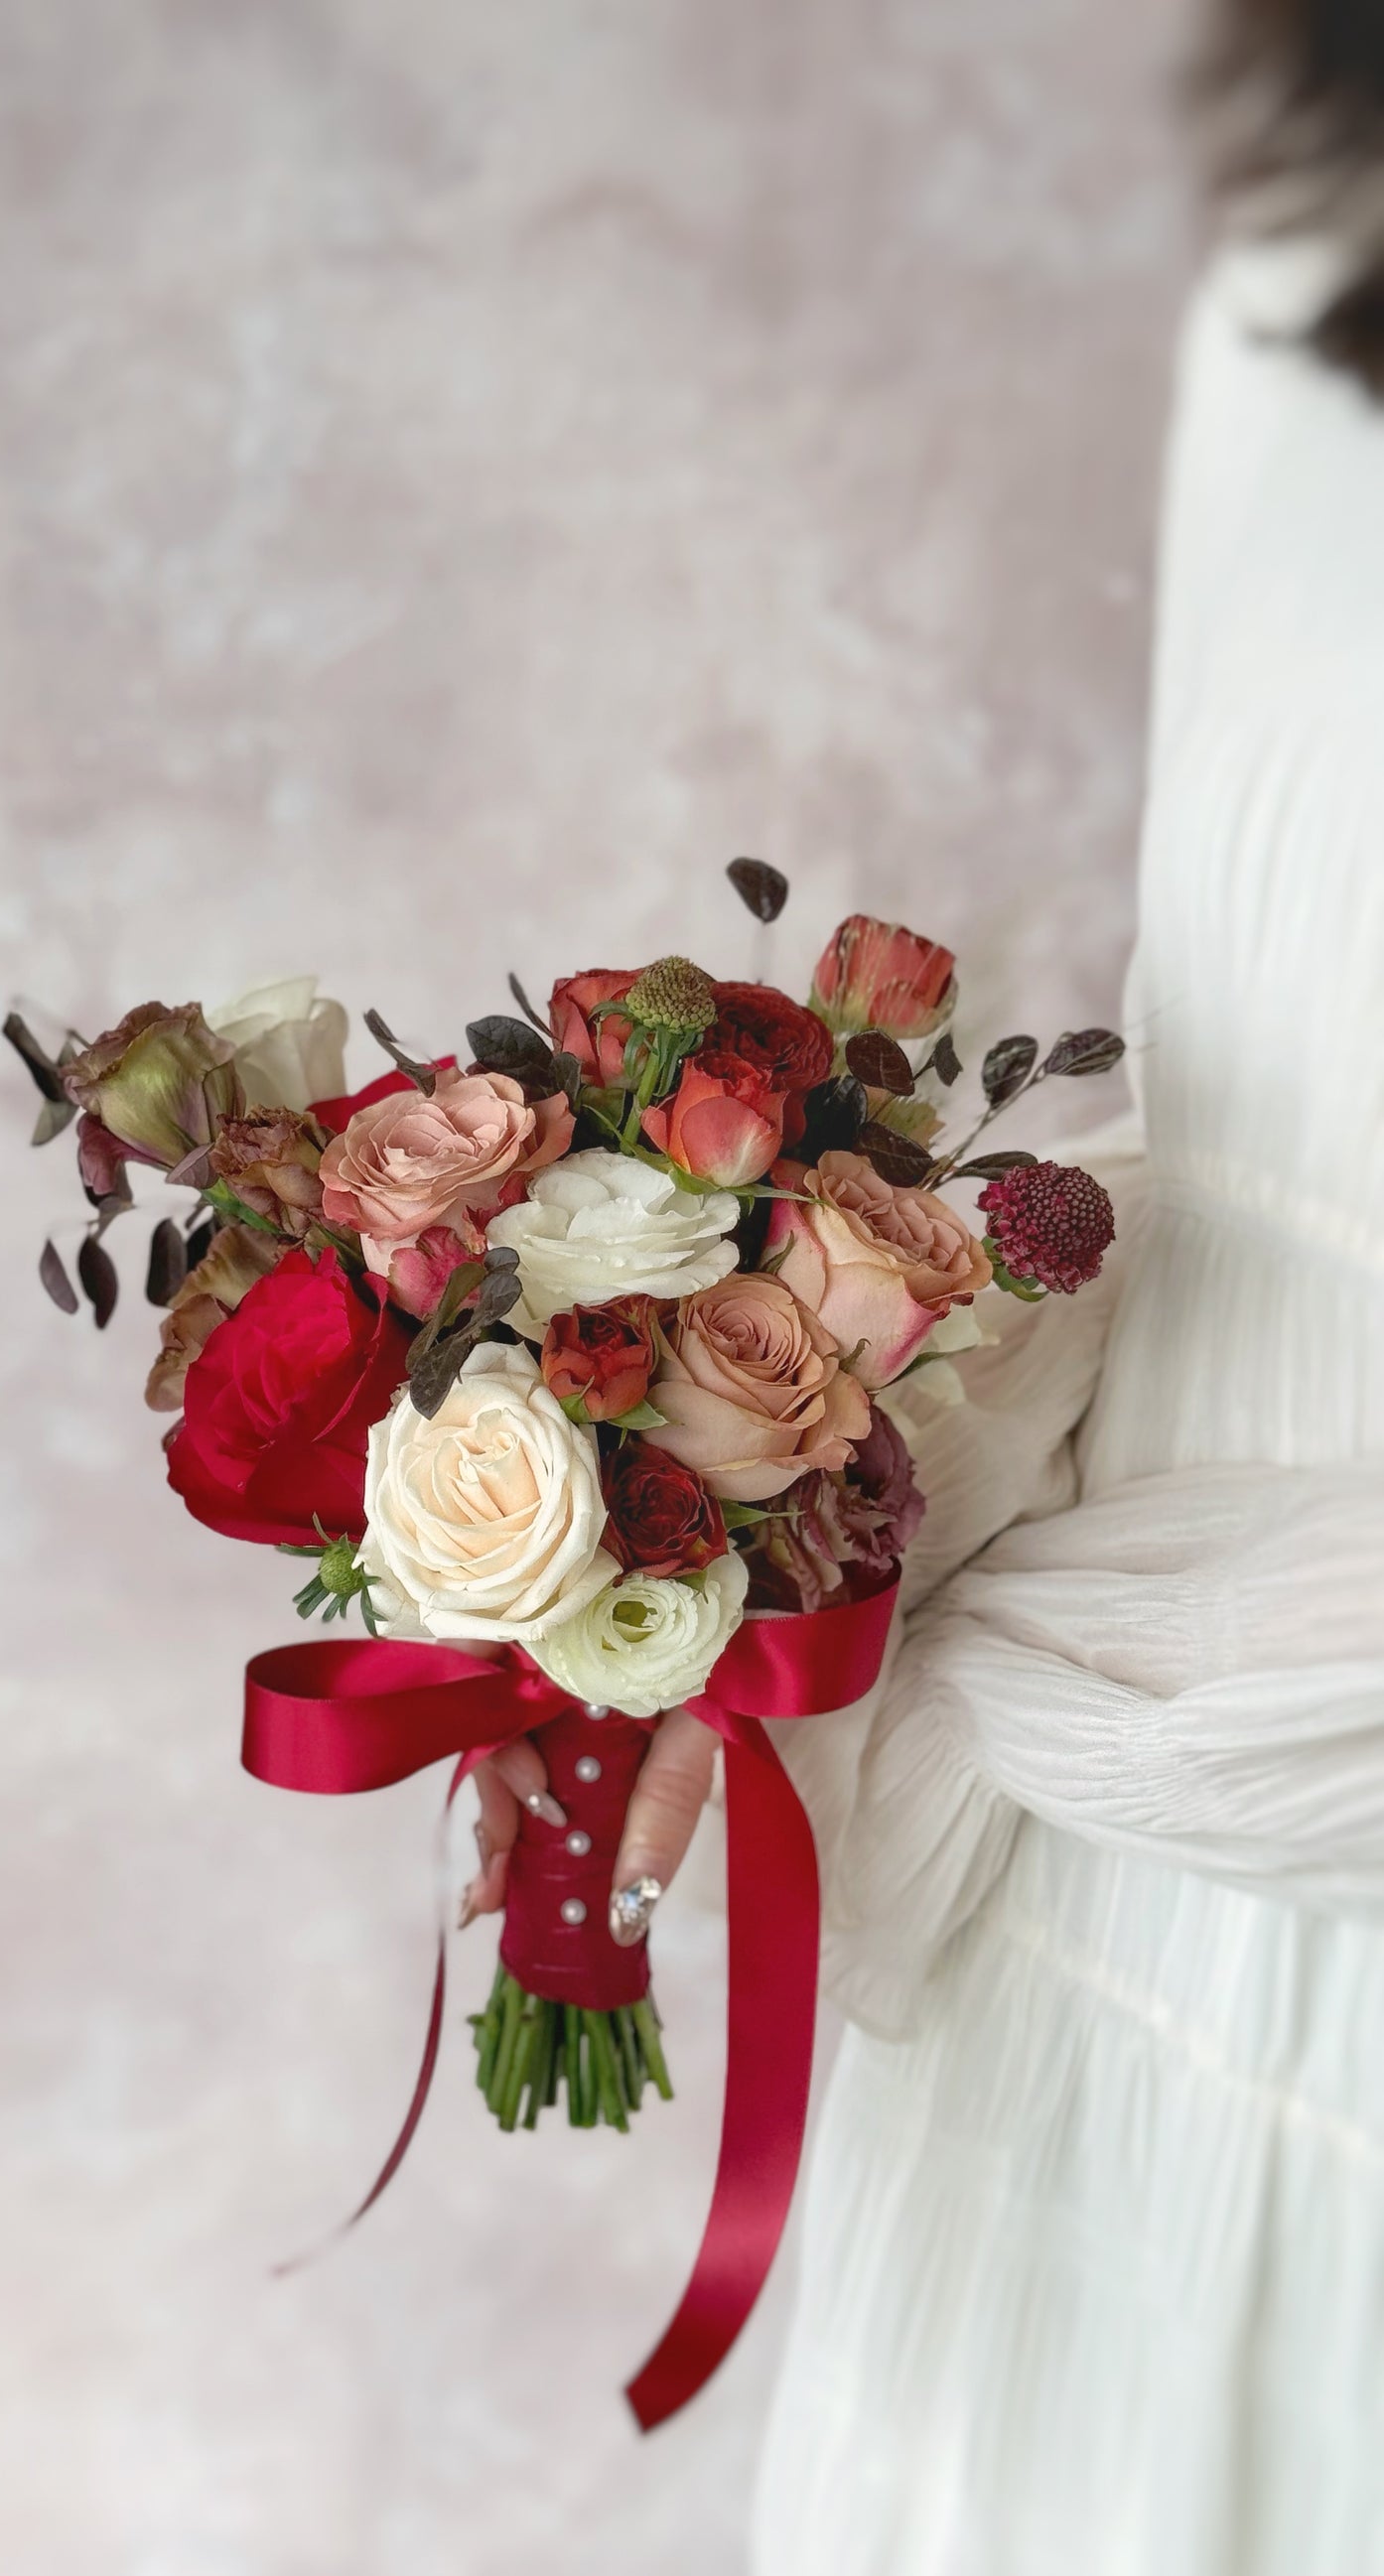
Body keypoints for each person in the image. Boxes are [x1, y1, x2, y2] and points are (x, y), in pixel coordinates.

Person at [467, 5, 1384, 2563]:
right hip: (1109, 2008)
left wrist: (1151, 1670)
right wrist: (778, 1511)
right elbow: (1282, 1119)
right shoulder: (1322, 237)